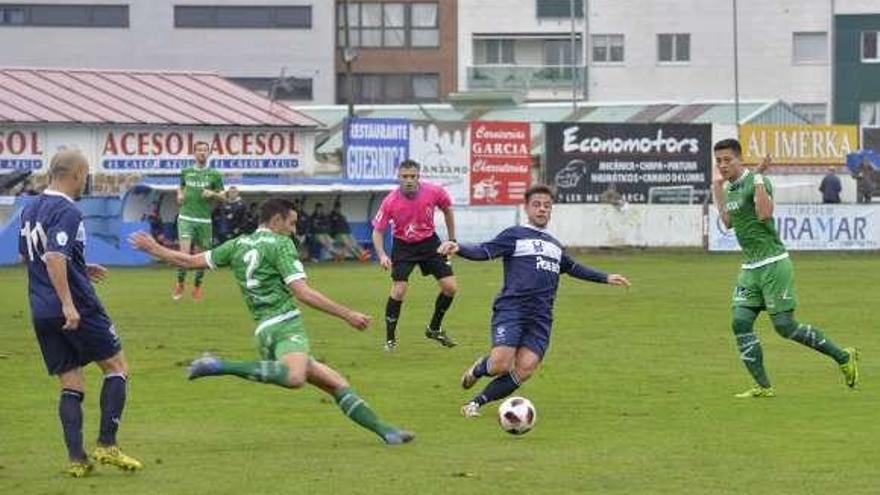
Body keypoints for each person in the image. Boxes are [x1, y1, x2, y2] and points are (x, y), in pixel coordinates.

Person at [129, 198, 414, 445]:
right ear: (277, 220)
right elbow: (302, 292)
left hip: (264, 331)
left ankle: (386, 431)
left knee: (335, 383)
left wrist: (155, 249)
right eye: (291, 223)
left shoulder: (238, 244)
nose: (293, 230)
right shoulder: (280, 244)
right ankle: (218, 365)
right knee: (294, 378)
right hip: (286, 325)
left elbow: (190, 262)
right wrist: (348, 315)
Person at [437, 184, 631, 417]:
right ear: (527, 208)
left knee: (525, 368)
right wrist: (458, 248)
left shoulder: (555, 246)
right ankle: (480, 368)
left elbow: (574, 268)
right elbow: (484, 250)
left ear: (551, 210)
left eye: (547, 206)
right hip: (513, 308)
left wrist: (606, 277)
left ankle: (476, 404)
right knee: (500, 364)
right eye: (537, 205)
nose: (542, 210)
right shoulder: (515, 235)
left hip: (541, 316)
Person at [18, 150, 143, 477]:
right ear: (75, 174)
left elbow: (33, 257)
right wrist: (69, 303)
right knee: (117, 368)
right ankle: (107, 443)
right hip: (77, 307)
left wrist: (79, 267)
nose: (84, 181)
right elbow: (55, 257)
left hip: (40, 309)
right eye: (85, 175)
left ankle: (77, 459)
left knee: (71, 383)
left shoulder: (29, 208)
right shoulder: (68, 210)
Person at [711, 139, 859, 398]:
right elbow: (727, 221)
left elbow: (765, 213)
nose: (722, 165)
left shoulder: (758, 181)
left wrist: (758, 178)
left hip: (773, 264)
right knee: (740, 322)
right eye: (718, 161)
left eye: (727, 160)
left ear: (739, 159)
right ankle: (763, 387)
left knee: (784, 326)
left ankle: (842, 356)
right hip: (750, 267)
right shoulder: (731, 188)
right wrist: (717, 189)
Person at [371, 159, 458, 351]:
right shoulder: (390, 201)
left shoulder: (435, 192)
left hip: (430, 243)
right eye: (404, 177)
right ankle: (390, 340)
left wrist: (452, 239)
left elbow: (448, 210)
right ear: (399, 177)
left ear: (419, 176)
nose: (409, 180)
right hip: (404, 246)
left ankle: (434, 328)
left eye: (412, 176)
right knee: (399, 290)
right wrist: (382, 255)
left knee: (450, 288)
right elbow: (377, 231)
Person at [173, 141, 226, 300]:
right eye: (199, 150)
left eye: (205, 150)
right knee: (184, 253)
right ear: (194, 153)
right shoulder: (186, 171)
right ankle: (180, 283)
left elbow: (223, 196)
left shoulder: (215, 174)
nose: (202, 153)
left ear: (208, 154)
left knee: (201, 256)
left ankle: (197, 286)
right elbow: (180, 187)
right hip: (186, 217)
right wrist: (179, 195)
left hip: (204, 220)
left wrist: (212, 194)